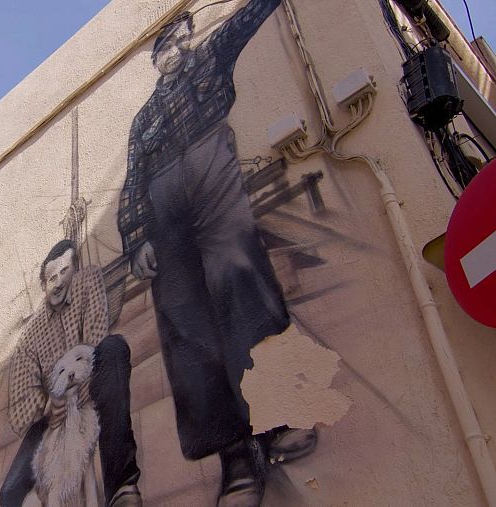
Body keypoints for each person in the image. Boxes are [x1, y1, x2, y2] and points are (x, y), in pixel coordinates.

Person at [117, 2, 315, 505]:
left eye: (182, 38)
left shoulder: (209, 61)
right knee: (186, 324)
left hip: (214, 179)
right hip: (165, 212)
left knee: (241, 283)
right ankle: (236, 459)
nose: (176, 51)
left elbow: (242, 22)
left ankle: (280, 419)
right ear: (155, 59)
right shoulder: (141, 121)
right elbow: (133, 182)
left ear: (191, 36)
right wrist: (136, 237)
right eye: (165, 47)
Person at [1, 240, 142, 507]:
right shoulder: (29, 338)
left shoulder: (88, 282)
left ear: (74, 270)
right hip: (52, 414)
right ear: (43, 286)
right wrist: (49, 405)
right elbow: (19, 411)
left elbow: (96, 343)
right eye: (51, 278)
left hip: (92, 385)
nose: (58, 282)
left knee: (112, 349)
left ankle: (122, 487)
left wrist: (73, 384)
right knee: (9, 493)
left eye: (64, 272)